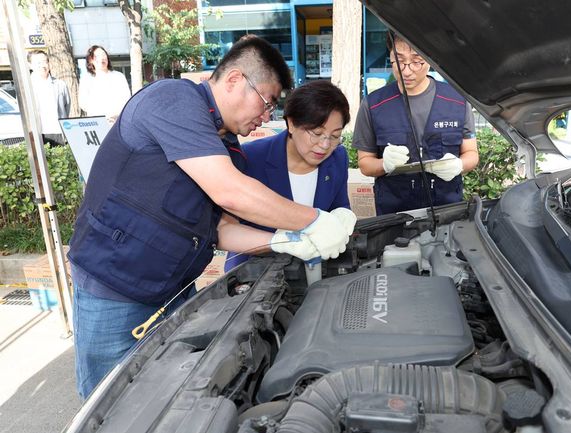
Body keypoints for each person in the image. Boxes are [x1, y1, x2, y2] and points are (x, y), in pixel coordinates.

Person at [68, 37, 356, 399]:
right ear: (235, 79)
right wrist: (313, 220)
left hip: (174, 291)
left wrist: (282, 240)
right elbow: (229, 191)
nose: (266, 116)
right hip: (114, 290)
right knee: (109, 402)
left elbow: (220, 229)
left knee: (164, 398)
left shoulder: (227, 147)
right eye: (266, 101)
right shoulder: (173, 101)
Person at [225, 80, 351, 271]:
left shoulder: (338, 158)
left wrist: (343, 216)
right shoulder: (249, 158)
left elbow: (339, 206)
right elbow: (226, 228)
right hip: (254, 273)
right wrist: (277, 241)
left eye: (335, 136)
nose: (325, 145)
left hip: (311, 271)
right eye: (317, 133)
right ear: (291, 123)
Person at [353, 32, 479, 215]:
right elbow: (365, 163)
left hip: (446, 210)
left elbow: (471, 153)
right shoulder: (373, 104)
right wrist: (384, 165)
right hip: (394, 212)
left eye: (417, 61)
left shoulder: (457, 100)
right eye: (399, 61)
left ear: (430, 59)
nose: (407, 70)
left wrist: (459, 165)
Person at [78, 45, 131, 123]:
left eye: (104, 54)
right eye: (98, 56)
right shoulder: (86, 79)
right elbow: (83, 102)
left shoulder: (119, 76)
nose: (102, 58)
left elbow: (126, 98)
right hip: (97, 122)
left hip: (117, 121)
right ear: (90, 60)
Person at [28, 50, 70, 146]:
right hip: (36, 133)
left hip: (58, 132)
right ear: (30, 65)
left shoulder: (60, 84)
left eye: (44, 62)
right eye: (38, 63)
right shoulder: (27, 86)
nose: (42, 65)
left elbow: (66, 106)